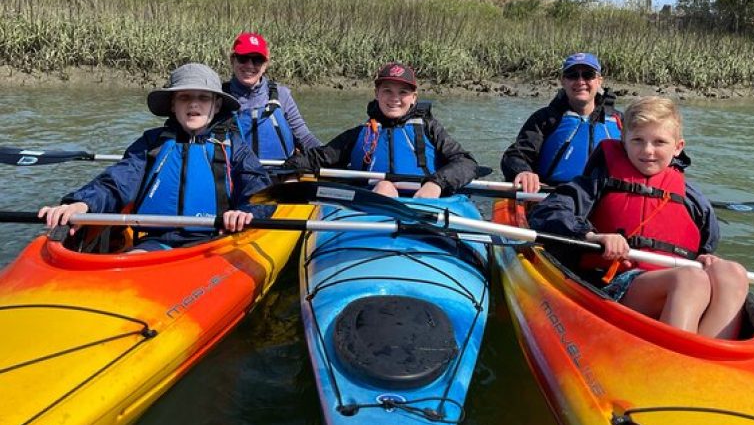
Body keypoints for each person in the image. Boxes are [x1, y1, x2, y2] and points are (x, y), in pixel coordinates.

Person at [529, 96, 749, 339]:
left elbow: (707, 242)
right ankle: (675, 358)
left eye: (659, 142)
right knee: (691, 279)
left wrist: (707, 256)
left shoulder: (691, 197)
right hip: (612, 284)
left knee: (734, 273)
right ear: (623, 142)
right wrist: (593, 235)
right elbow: (548, 212)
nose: (647, 151)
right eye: (638, 140)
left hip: (675, 282)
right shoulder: (597, 183)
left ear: (678, 147)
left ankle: (710, 357)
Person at [39, 63, 275, 251]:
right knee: (134, 259)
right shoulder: (152, 144)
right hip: (156, 244)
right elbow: (118, 180)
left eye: (203, 97)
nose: (194, 103)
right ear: (173, 105)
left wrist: (247, 213)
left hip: (217, 244)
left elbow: (259, 191)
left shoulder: (234, 145)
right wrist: (82, 203)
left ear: (216, 105)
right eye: (184, 97)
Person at [284, 62, 479, 199]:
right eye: (387, 91)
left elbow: (466, 162)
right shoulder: (360, 133)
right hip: (374, 208)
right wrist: (289, 170)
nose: (395, 98)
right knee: (385, 187)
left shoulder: (430, 129)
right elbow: (317, 158)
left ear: (414, 98)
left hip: (424, 204)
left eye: (403, 92)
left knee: (387, 188)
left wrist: (436, 184)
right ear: (377, 94)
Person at [501, 52, 622, 193]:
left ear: (599, 81)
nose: (580, 81)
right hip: (554, 196)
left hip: (606, 196)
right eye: (572, 75)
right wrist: (522, 171)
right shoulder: (544, 119)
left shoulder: (621, 121)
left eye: (588, 75)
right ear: (563, 81)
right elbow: (516, 155)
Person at [224, 32, 321, 161]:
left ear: (265, 65)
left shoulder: (282, 95)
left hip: (280, 175)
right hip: (233, 176)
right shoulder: (219, 96)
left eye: (257, 60)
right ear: (232, 60)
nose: (249, 65)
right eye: (243, 58)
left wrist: (327, 154)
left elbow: (304, 138)